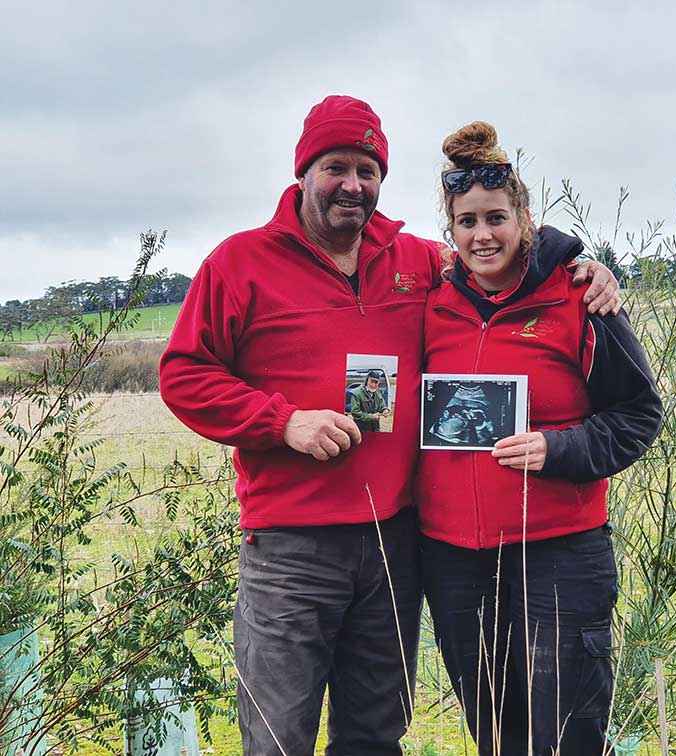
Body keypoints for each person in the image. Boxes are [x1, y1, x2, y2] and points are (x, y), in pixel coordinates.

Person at [158, 96, 620, 755]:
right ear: (303, 172)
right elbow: (183, 374)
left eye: (367, 170)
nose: (352, 185)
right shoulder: (240, 264)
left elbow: (500, 245)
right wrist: (282, 422)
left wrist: (589, 268)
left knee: (374, 735)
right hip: (290, 549)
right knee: (279, 736)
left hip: (392, 543)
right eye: (335, 167)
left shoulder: (418, 262)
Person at [417, 122, 663, 755]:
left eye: (496, 217)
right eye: (467, 221)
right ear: (451, 230)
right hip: (456, 561)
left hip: (558, 555)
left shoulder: (580, 297)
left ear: (524, 216)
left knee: (568, 734)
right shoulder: (430, 299)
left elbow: (639, 415)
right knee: (496, 734)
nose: (483, 235)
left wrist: (558, 450)